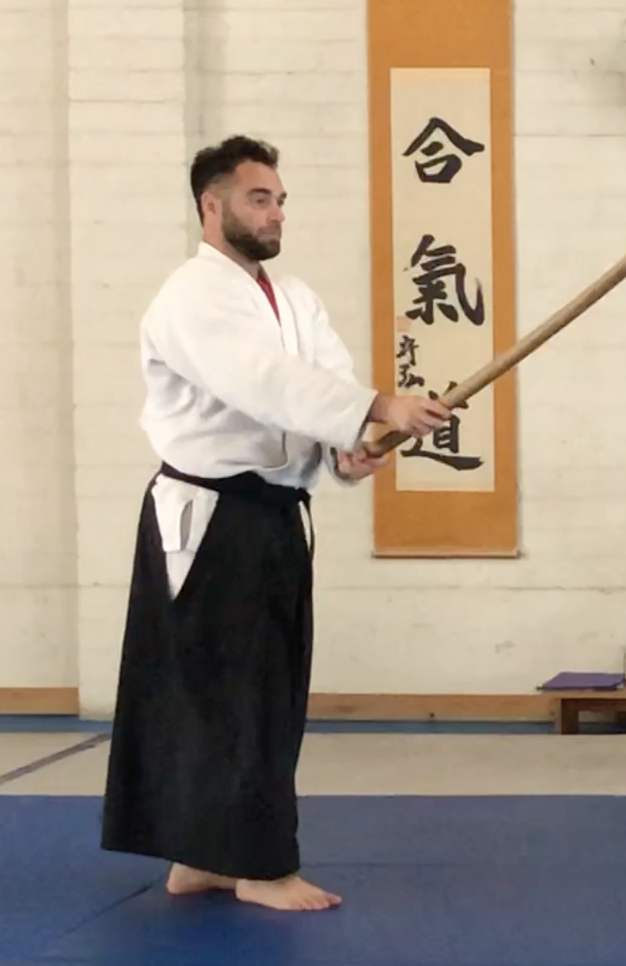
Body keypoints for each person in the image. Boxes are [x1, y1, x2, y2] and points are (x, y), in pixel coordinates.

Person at [100, 136, 453, 912]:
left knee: (260, 691)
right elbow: (262, 383)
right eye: (260, 198)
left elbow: (321, 385)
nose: (276, 212)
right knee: (228, 697)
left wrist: (350, 446)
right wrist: (374, 408)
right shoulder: (190, 297)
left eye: (281, 199)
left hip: (272, 512)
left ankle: (203, 857)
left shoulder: (292, 296)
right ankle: (258, 866)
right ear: (212, 205)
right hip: (211, 517)